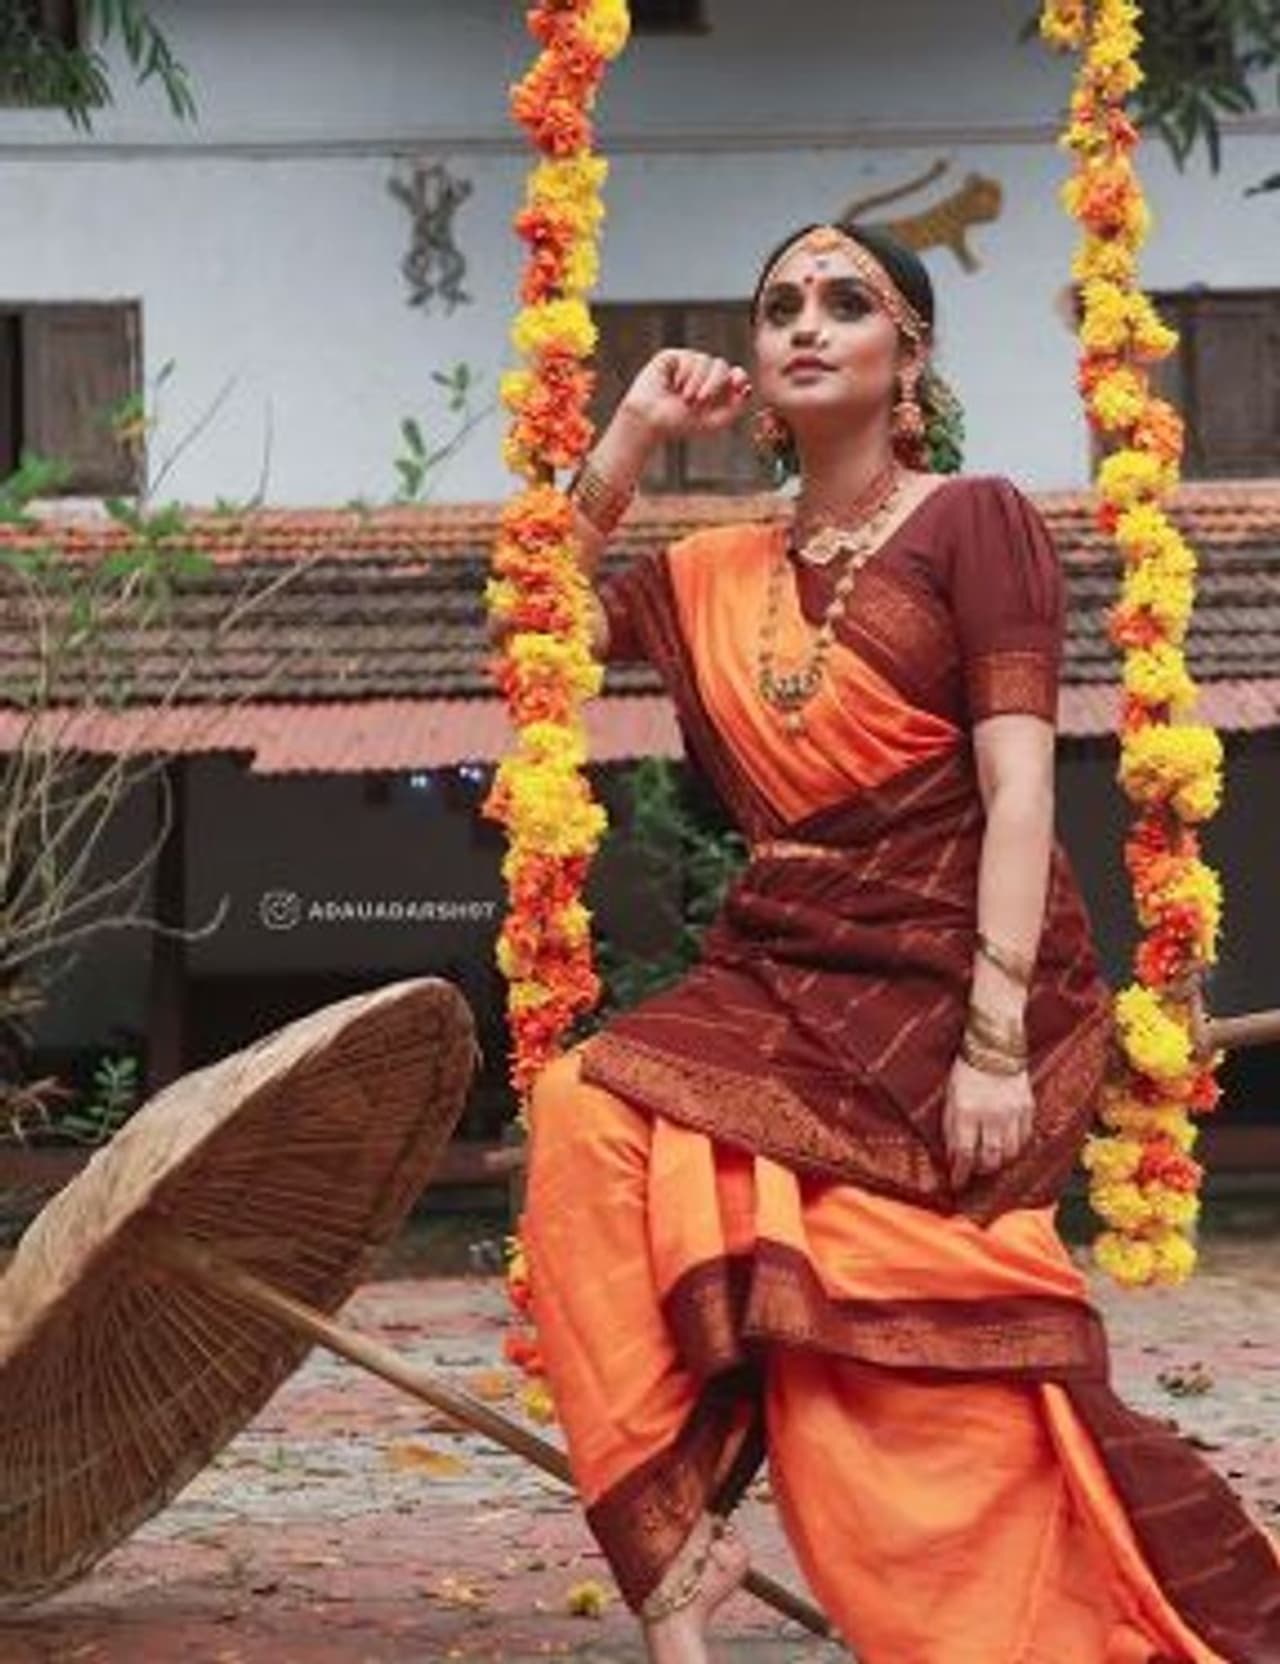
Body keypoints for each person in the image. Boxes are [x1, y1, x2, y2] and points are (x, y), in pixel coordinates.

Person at [518, 218, 1280, 1663]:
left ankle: (1062, 1611)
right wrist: (628, 434)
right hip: (784, 963)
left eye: (844, 302)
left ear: (908, 356)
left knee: (884, 1297)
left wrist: (994, 1039)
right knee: (581, 1110)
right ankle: (676, 1570)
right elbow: (527, 631)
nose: (805, 324)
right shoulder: (713, 568)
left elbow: (1020, 789)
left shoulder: (973, 521)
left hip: (958, 976)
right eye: (779, 307)